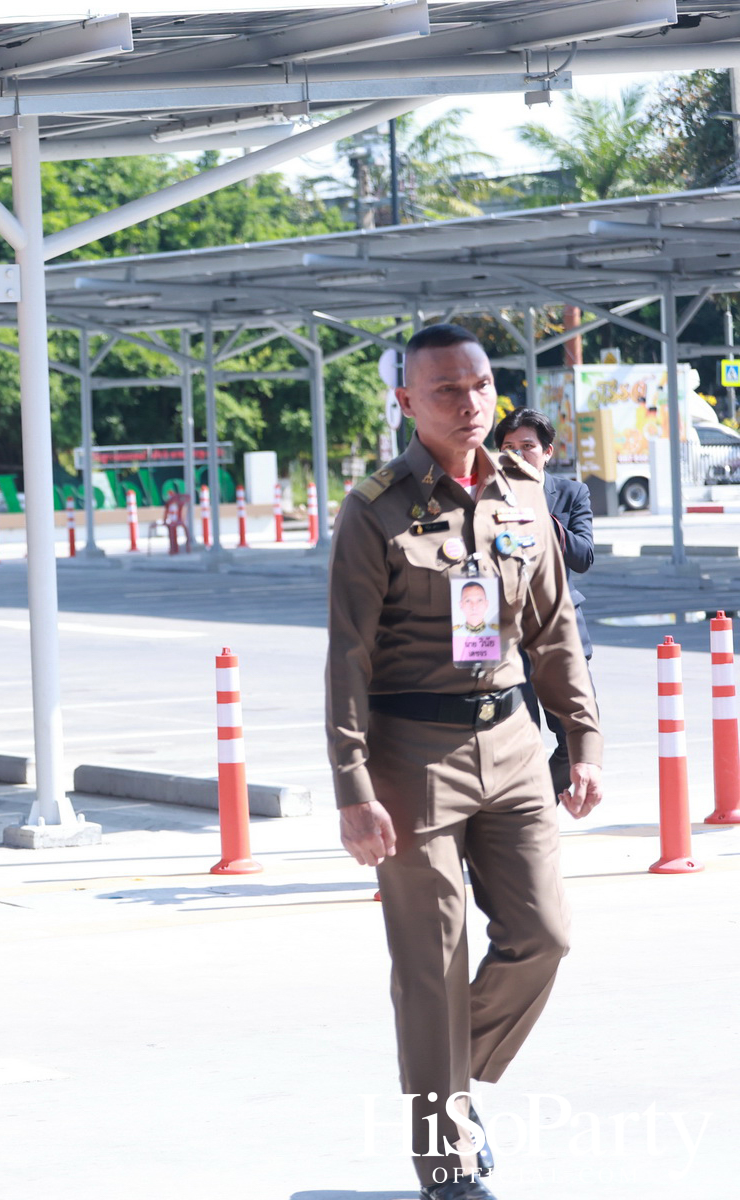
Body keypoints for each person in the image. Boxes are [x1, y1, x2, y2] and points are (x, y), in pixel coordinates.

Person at [327, 324, 602, 1200]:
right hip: (413, 758)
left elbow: (555, 630)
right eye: (446, 389)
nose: (470, 401)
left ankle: (454, 1075)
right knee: (432, 961)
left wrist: (583, 739)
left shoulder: (527, 492)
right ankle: (443, 1157)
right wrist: (354, 789)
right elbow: (347, 659)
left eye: (480, 383)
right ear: (406, 402)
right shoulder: (375, 506)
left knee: (544, 938)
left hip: (516, 745)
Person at [494, 407, 595, 796]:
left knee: (578, 742)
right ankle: (525, 823)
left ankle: (538, 803)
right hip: (505, 639)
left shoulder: (571, 493)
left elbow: (583, 556)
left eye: (527, 447)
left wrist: (539, 513)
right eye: (508, 447)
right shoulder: (485, 497)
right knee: (516, 744)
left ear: (547, 452)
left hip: (559, 634)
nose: (517, 455)